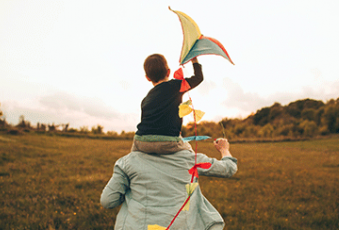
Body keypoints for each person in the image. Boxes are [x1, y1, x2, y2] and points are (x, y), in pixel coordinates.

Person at [100, 138, 238, 230]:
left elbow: (108, 201)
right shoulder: (191, 159)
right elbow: (228, 168)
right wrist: (224, 149)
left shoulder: (127, 162)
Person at [131, 54, 203, 154]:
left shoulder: (146, 99)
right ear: (168, 72)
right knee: (189, 151)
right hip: (167, 142)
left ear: (148, 78)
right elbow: (198, 78)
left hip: (140, 141)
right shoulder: (176, 86)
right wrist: (194, 60)